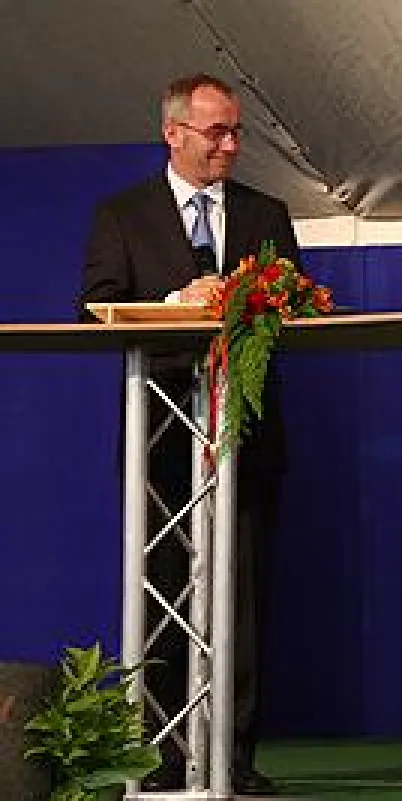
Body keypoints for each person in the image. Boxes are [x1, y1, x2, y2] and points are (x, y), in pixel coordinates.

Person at [79, 73, 296, 796]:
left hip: (244, 434)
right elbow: (95, 310)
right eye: (216, 133)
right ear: (173, 133)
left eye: (236, 132)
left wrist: (253, 303)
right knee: (163, 594)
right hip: (161, 442)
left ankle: (232, 756)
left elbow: (296, 304)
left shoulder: (268, 212)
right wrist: (176, 304)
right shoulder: (122, 214)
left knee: (243, 599)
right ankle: (162, 759)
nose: (230, 145)